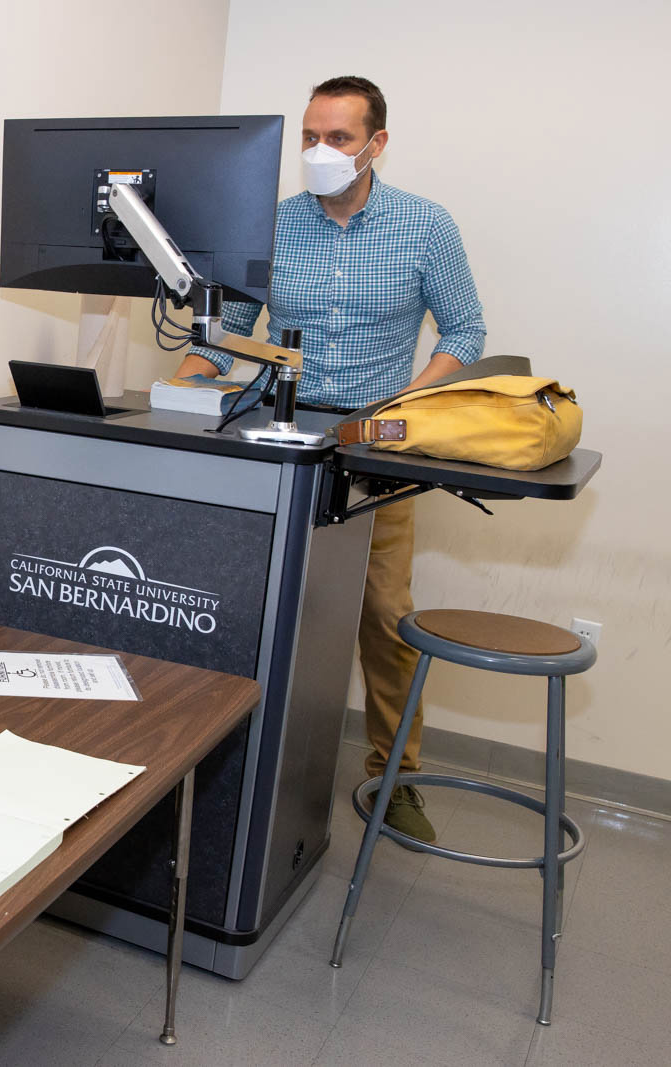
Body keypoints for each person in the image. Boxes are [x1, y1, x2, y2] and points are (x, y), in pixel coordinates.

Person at [173, 76, 486, 843]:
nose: (320, 151)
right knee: (255, 598)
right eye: (311, 136)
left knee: (382, 612)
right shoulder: (273, 225)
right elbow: (234, 328)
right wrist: (181, 385)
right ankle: (231, 752)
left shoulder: (424, 226)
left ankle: (396, 774)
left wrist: (403, 409)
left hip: (378, 443)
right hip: (280, 433)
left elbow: (465, 331)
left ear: (377, 144)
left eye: (339, 138)